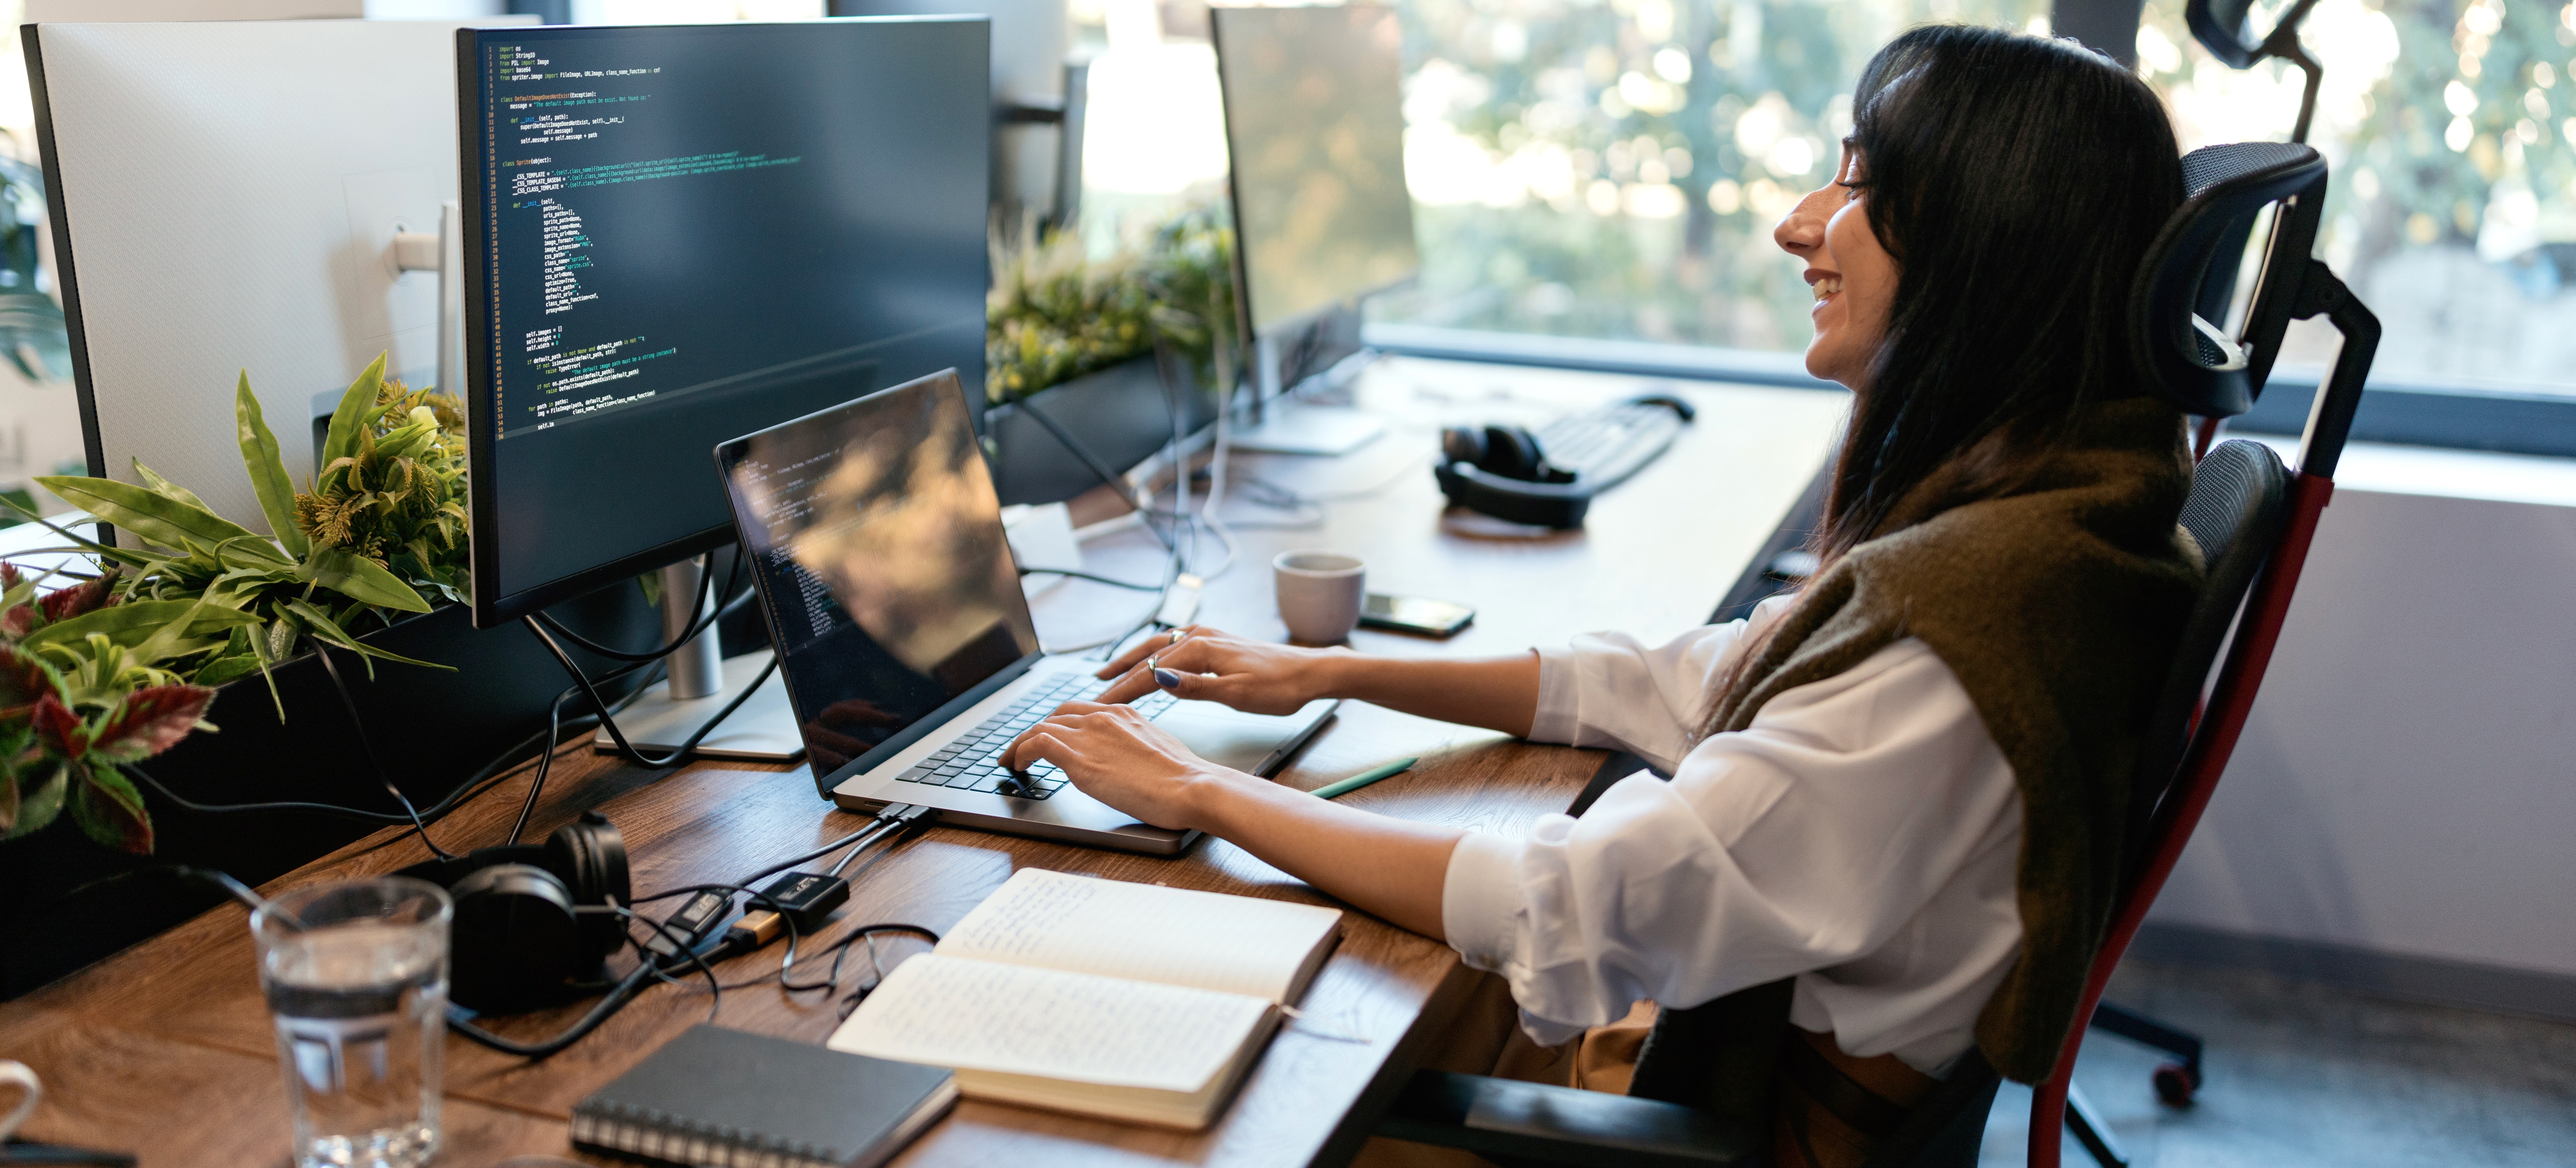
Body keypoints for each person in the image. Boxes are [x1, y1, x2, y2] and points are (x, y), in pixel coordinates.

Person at [1004, 24, 2203, 1168]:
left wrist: (1195, 788)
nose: (1798, 225)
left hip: (1707, 1112)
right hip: (1722, 1042)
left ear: (1982, 252)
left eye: (1856, 184)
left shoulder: (1953, 631)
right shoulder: (2045, 518)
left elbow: (1560, 907)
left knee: (1163, 1097)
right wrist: (1333, 670)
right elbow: (1696, 678)